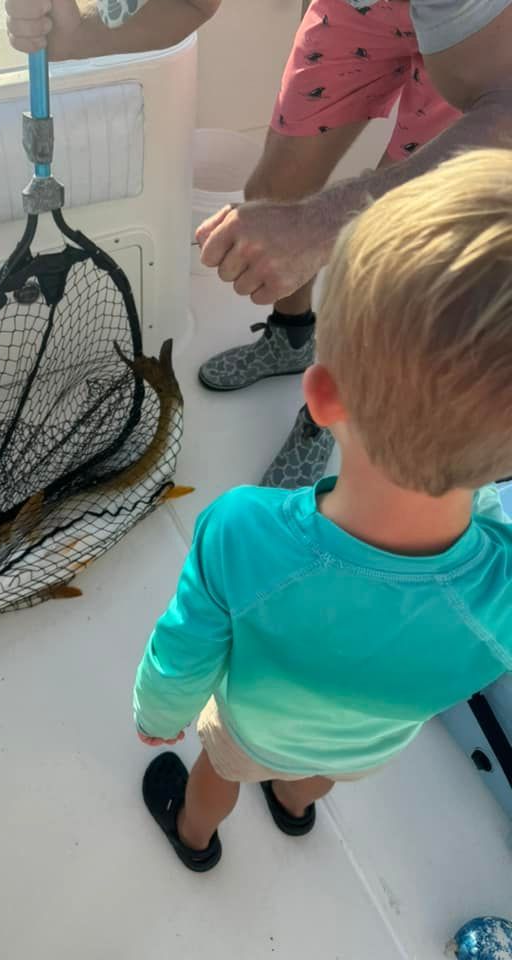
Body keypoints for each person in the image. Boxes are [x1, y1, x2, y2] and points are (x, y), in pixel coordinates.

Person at [131, 150, 512, 871]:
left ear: (323, 396)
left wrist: (159, 717)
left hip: (254, 730)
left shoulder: (242, 529)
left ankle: (195, 836)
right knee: (316, 777)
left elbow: (185, 648)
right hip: (369, 744)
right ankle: (297, 805)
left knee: (217, 776)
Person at [6, 0, 512, 487]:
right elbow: (190, 3)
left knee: (394, 256)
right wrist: (75, 35)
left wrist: (320, 223)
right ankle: (292, 338)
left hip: (490, 37)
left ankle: (328, 414)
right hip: (357, 14)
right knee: (272, 192)